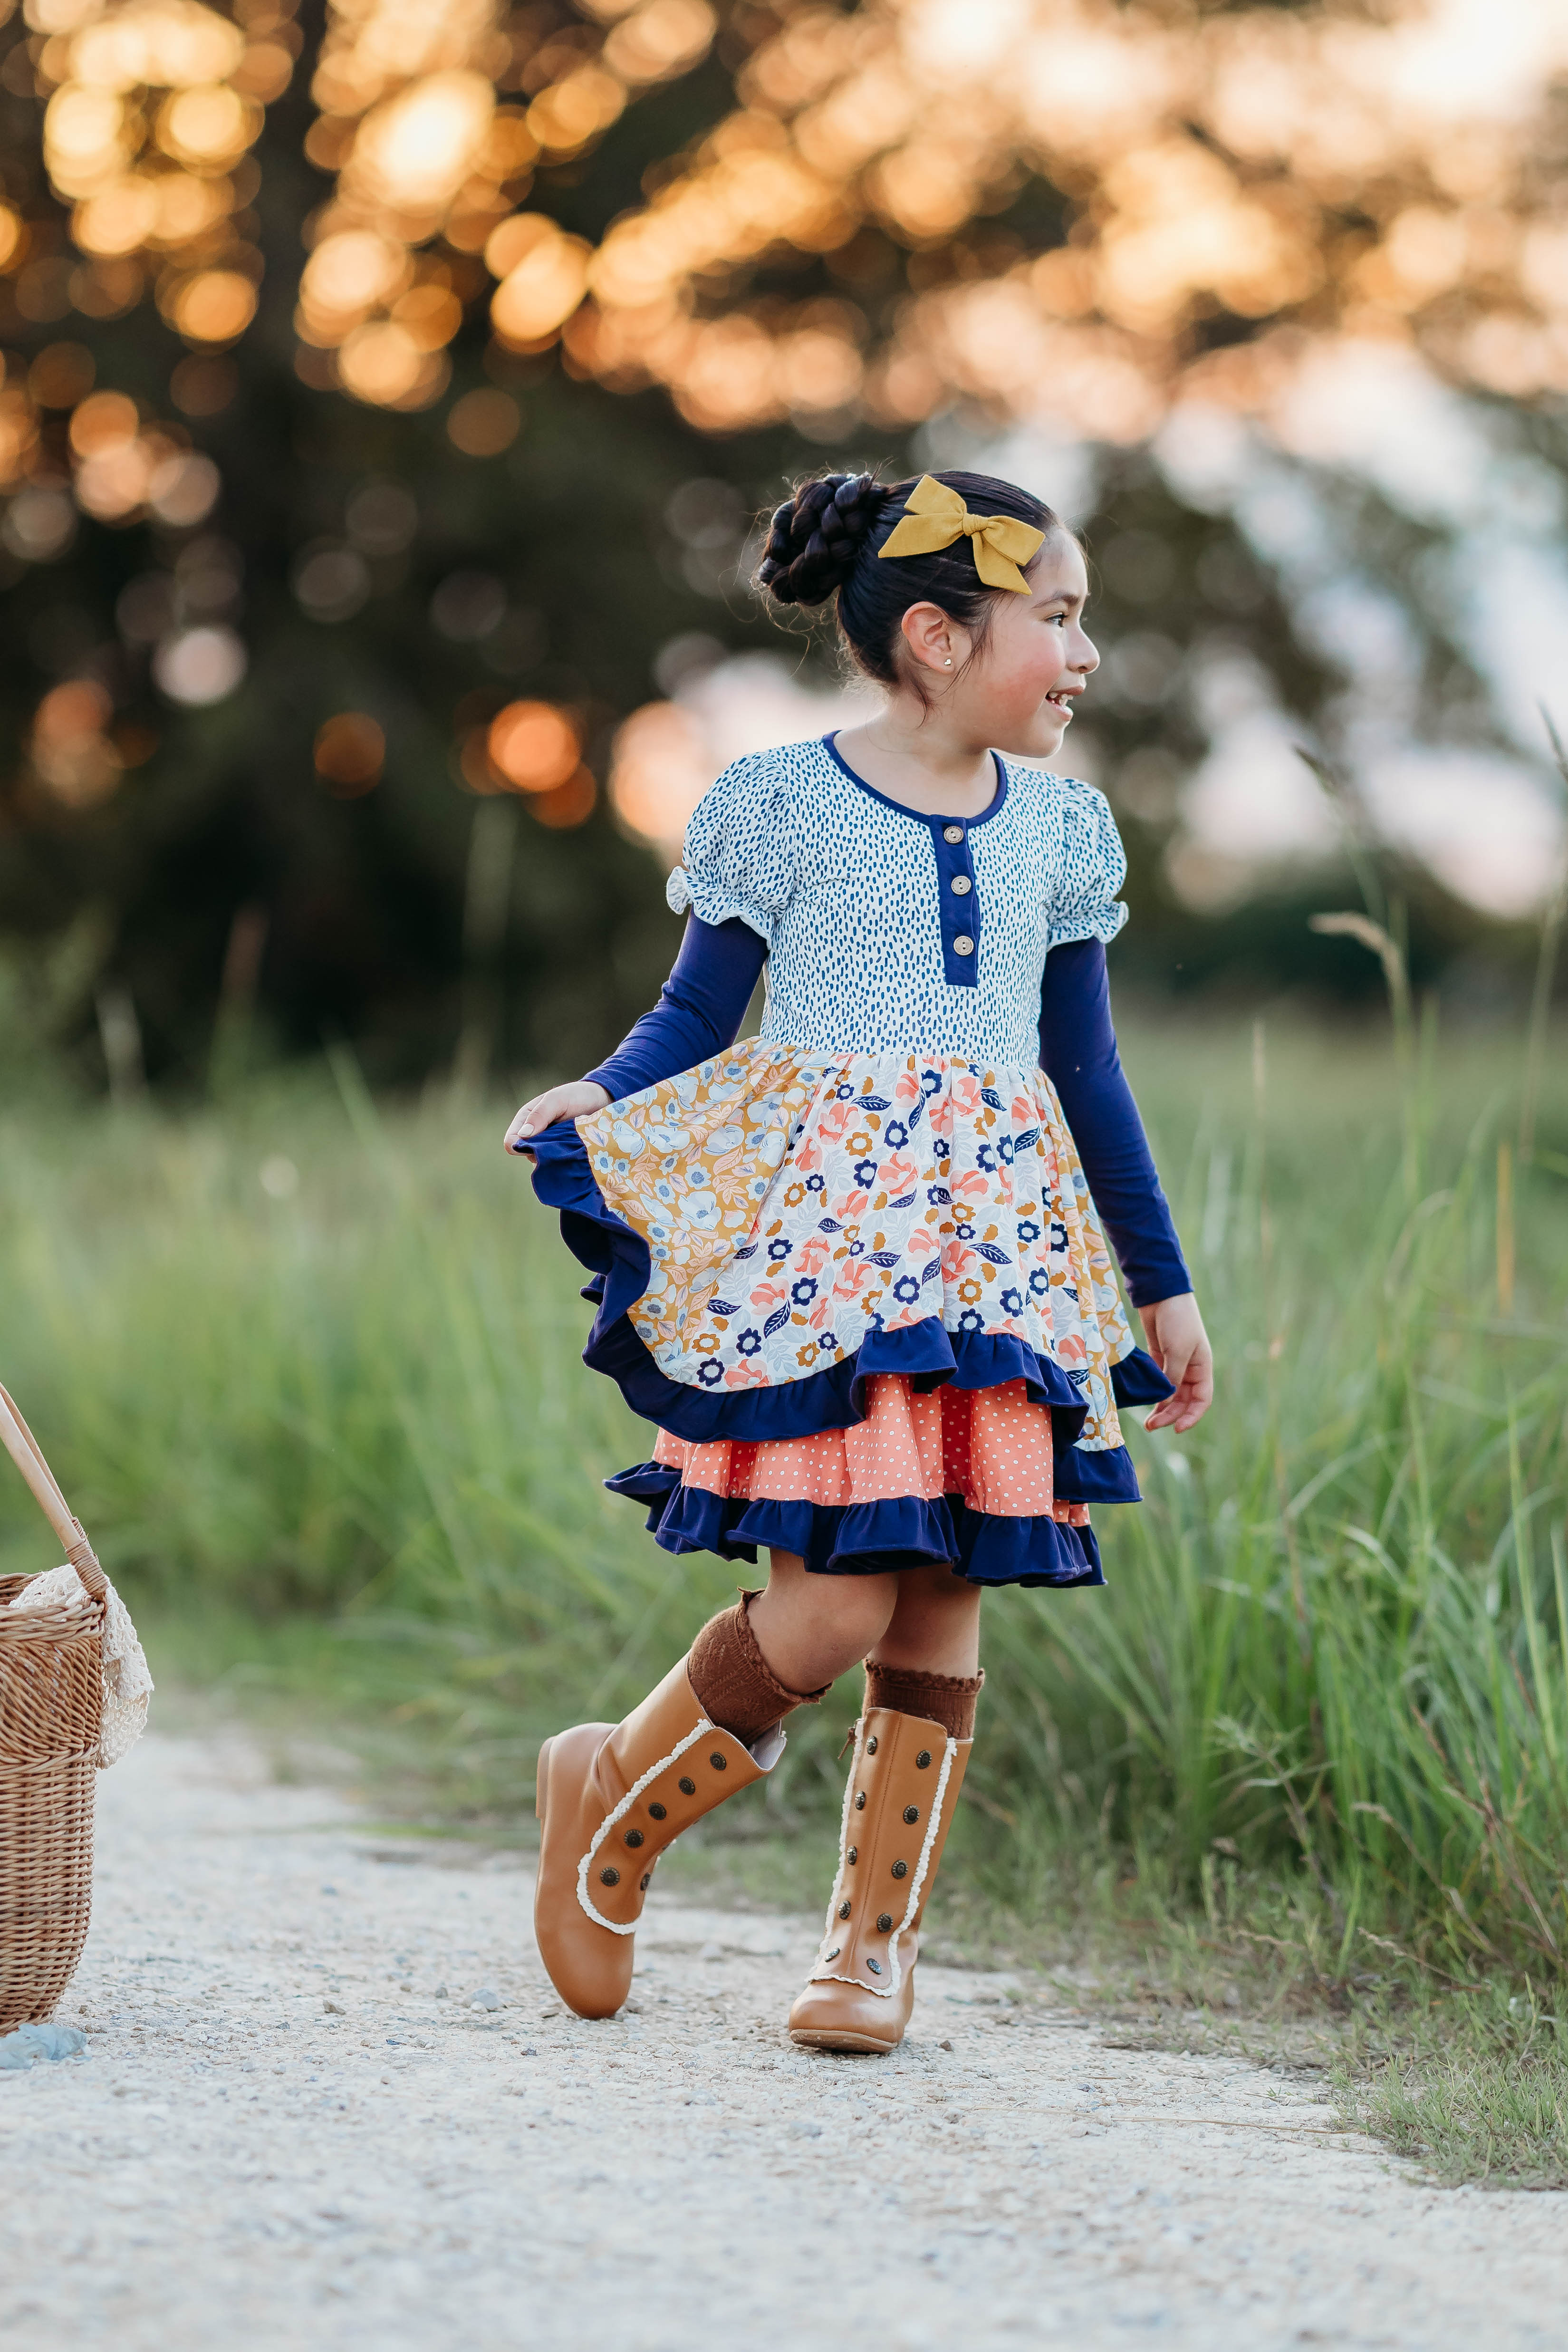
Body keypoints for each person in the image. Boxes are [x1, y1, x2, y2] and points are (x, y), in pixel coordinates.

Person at [507, 469, 1213, 2053]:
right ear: (933, 635)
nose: (1085, 655)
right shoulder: (780, 802)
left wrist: (1155, 1283)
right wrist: (604, 1094)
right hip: (831, 1259)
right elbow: (700, 1013)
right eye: (1060, 618)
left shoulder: (1061, 829)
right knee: (824, 1615)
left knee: (945, 1590)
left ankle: (869, 1944)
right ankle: (609, 1807)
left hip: (1000, 1262)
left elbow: (1085, 1070)